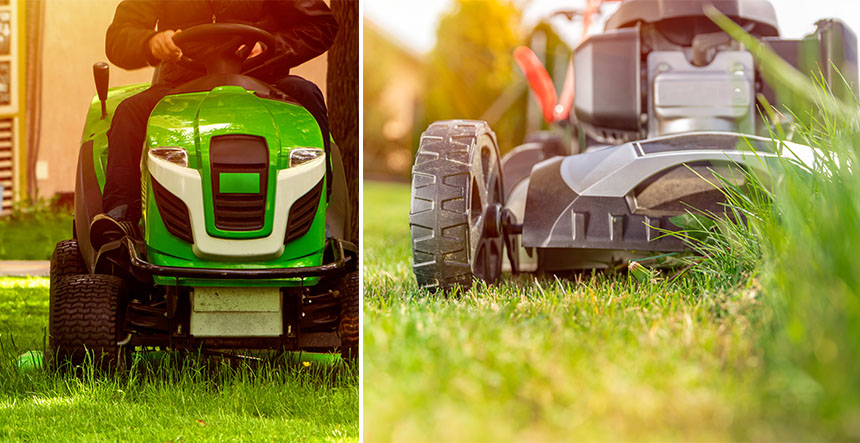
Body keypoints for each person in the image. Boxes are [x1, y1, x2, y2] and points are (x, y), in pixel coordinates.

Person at [91, 0, 338, 246]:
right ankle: (120, 217)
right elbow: (118, 38)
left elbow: (321, 25)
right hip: (181, 85)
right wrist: (150, 43)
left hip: (264, 78)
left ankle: (317, 214)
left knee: (307, 94)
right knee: (129, 112)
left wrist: (270, 47)